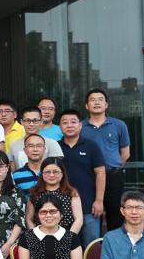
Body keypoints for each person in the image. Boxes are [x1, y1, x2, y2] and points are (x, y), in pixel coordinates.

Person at [82, 88, 130, 233]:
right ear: (87, 105)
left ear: (106, 105)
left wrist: (111, 169)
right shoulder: (80, 127)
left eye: (100, 100)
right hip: (88, 178)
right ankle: (93, 246)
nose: (97, 102)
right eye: (92, 100)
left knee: (115, 216)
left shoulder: (119, 125)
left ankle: (113, 246)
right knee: (90, 217)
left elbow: (125, 154)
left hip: (113, 177)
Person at [59, 109, 106, 247]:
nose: (69, 125)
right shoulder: (56, 147)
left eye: (73, 122)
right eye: (65, 122)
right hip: (62, 207)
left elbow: (101, 173)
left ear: (80, 125)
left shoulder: (91, 146)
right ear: (60, 126)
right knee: (65, 247)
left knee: (91, 247)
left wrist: (99, 200)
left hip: (88, 206)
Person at [25, 157, 84, 236]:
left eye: (56, 172)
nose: (51, 175)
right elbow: (29, 219)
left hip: (66, 236)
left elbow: (79, 219)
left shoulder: (72, 193)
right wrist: (36, 237)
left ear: (62, 174)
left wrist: (68, 238)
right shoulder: (34, 193)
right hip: (40, 236)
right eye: (47, 172)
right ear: (42, 174)